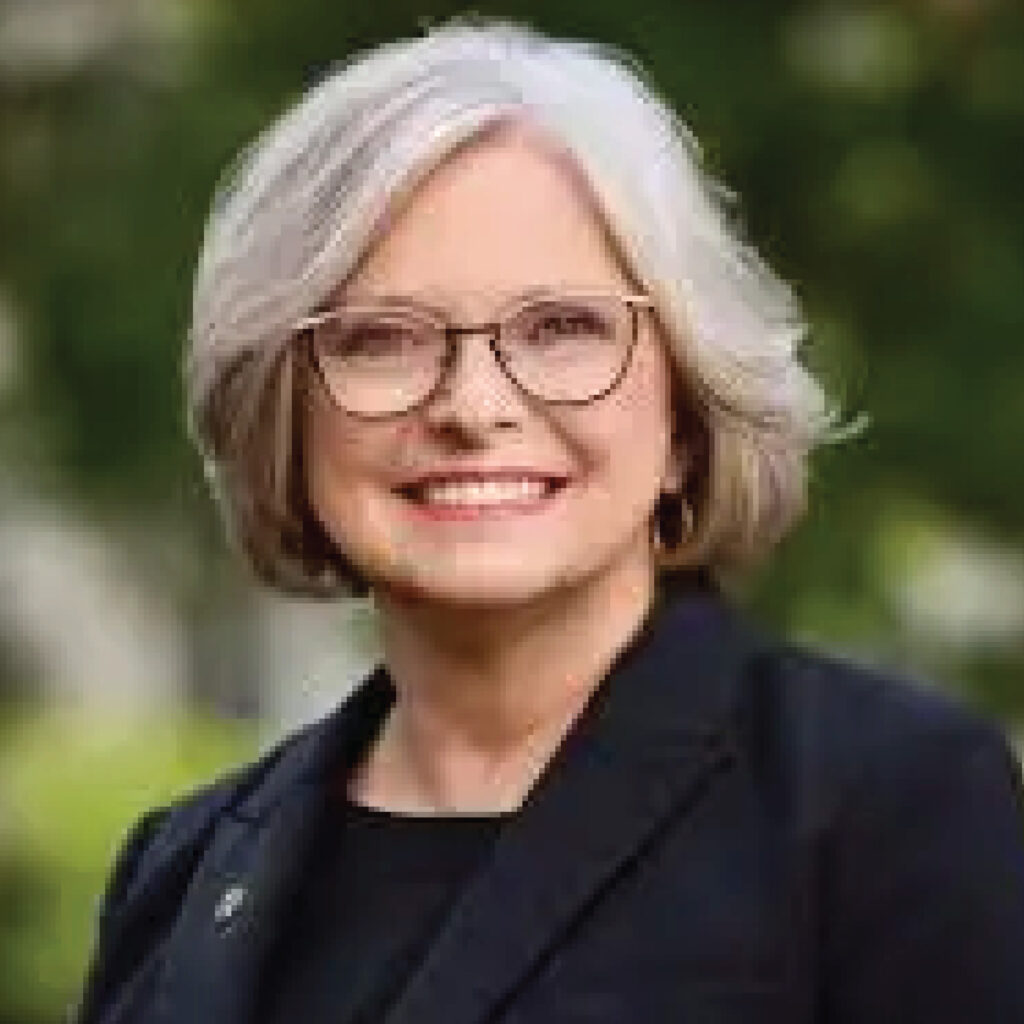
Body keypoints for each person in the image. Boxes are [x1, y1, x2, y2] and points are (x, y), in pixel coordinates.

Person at [76, 17, 1024, 1024]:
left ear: (686, 416)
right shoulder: (179, 874)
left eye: (562, 328)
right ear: (281, 415)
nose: (473, 406)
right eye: (381, 340)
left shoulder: (882, 806)